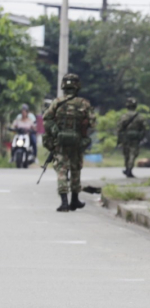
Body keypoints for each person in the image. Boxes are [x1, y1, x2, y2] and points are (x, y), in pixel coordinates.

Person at [43, 73, 95, 212]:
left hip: (60, 143)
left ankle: (64, 203)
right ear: (77, 86)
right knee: (75, 169)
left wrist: (56, 133)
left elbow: (47, 119)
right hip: (77, 143)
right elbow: (92, 123)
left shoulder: (56, 102)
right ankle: (75, 200)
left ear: (63, 86)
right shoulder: (84, 103)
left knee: (61, 170)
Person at [117, 97, 146, 178]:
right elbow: (143, 129)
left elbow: (119, 129)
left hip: (126, 138)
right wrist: (141, 137)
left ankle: (127, 169)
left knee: (126, 154)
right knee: (133, 154)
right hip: (135, 138)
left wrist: (119, 140)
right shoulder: (140, 117)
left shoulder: (124, 116)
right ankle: (129, 169)